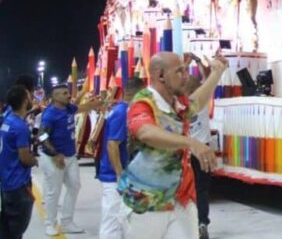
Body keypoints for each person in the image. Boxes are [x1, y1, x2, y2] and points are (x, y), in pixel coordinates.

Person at [119, 52, 227, 239]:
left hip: (181, 200)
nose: (186, 76)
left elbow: (197, 101)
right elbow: (146, 132)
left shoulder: (177, 103)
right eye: (180, 71)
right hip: (147, 201)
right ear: (161, 75)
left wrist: (216, 73)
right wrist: (190, 142)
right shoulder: (143, 102)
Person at [39, 83, 104, 236]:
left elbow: (82, 107)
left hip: (70, 156)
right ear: (55, 97)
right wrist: (54, 154)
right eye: (63, 93)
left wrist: (101, 103)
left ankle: (67, 222)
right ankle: (50, 223)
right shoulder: (50, 114)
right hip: (53, 158)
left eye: (67, 92)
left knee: (74, 186)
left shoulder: (68, 108)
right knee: (53, 192)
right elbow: (41, 135)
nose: (68, 95)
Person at [96, 77, 143, 239]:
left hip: (121, 174)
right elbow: (112, 145)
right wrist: (119, 174)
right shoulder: (122, 112)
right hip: (113, 176)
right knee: (112, 220)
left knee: (122, 218)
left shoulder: (123, 110)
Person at [0, 85, 38, 239]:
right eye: (29, 97)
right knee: (16, 230)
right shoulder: (20, 127)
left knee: (6, 226)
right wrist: (34, 160)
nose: (31, 99)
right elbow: (24, 157)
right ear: (24, 101)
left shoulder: (7, 120)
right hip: (18, 184)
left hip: (6, 182)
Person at [186, 74, 212, 239]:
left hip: (187, 151)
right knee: (202, 189)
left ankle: (187, 224)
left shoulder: (181, 106)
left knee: (186, 189)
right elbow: (209, 80)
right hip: (203, 151)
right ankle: (202, 222)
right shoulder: (203, 102)